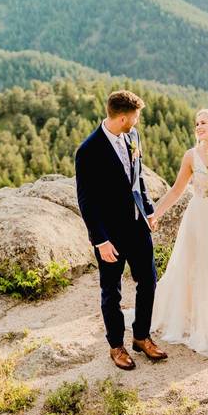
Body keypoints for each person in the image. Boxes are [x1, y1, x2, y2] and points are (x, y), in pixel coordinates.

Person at [75, 90, 168, 370]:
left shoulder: (133, 137)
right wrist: (100, 240)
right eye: (136, 117)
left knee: (149, 281)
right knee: (111, 292)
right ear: (124, 117)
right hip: (110, 235)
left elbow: (138, 176)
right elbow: (86, 201)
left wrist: (149, 210)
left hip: (138, 225)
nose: (138, 121)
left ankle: (142, 336)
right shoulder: (88, 150)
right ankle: (116, 346)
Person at [150, 109, 208, 357]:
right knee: (197, 267)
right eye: (196, 123)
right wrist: (156, 213)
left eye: (203, 122)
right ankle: (195, 319)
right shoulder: (191, 156)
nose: (199, 126)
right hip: (199, 218)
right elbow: (176, 190)